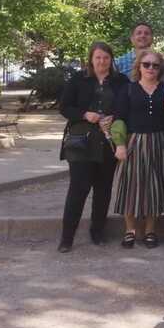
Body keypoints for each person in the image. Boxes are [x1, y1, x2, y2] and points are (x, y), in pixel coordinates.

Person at [57, 41, 129, 252]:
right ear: (91, 59)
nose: (102, 61)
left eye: (106, 58)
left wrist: (114, 116)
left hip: (108, 142)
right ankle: (66, 238)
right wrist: (84, 114)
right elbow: (64, 107)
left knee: (103, 190)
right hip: (82, 142)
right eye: (98, 57)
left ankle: (97, 232)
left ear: (111, 60)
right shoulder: (79, 79)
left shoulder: (120, 81)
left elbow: (126, 106)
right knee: (78, 190)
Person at [110, 48, 164, 249]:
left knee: (154, 188)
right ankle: (130, 231)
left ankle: (150, 231)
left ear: (160, 68)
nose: (150, 68)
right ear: (139, 66)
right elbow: (119, 119)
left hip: (160, 143)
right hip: (134, 143)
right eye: (146, 64)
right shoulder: (128, 89)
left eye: (155, 65)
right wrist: (119, 144)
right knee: (131, 187)